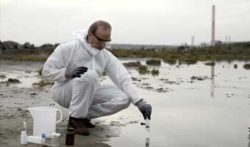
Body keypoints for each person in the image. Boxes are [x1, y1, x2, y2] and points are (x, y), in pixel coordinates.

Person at [42, 20, 152, 136]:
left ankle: (82, 117)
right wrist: (66, 73)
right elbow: (46, 71)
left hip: (88, 94)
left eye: (106, 41)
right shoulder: (69, 48)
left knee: (124, 98)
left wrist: (139, 101)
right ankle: (75, 119)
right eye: (100, 40)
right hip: (64, 92)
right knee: (89, 75)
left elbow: (123, 78)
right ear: (90, 34)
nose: (103, 45)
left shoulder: (105, 55)